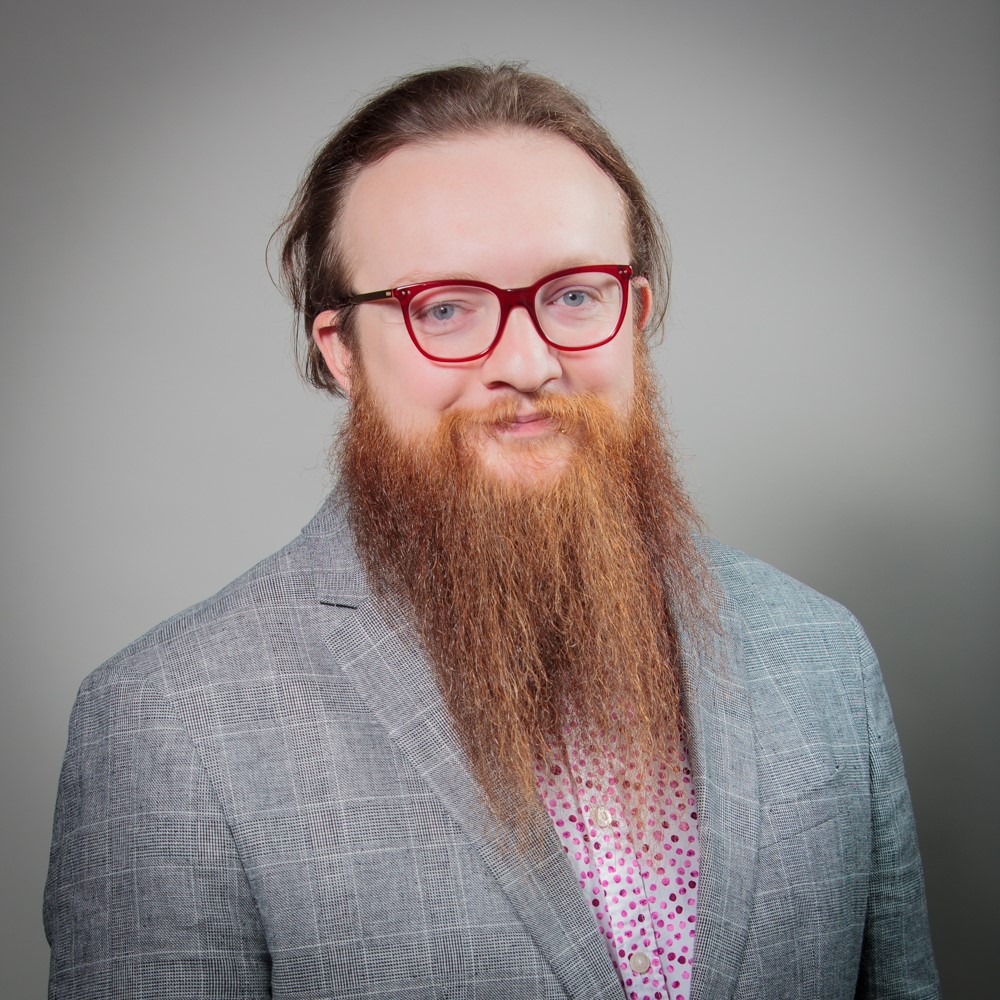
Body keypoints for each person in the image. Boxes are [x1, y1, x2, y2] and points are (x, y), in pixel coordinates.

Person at [44, 63, 938, 1000]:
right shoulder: (169, 723)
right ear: (341, 350)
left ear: (635, 312)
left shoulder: (823, 657)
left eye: (577, 293)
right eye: (444, 308)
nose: (529, 361)